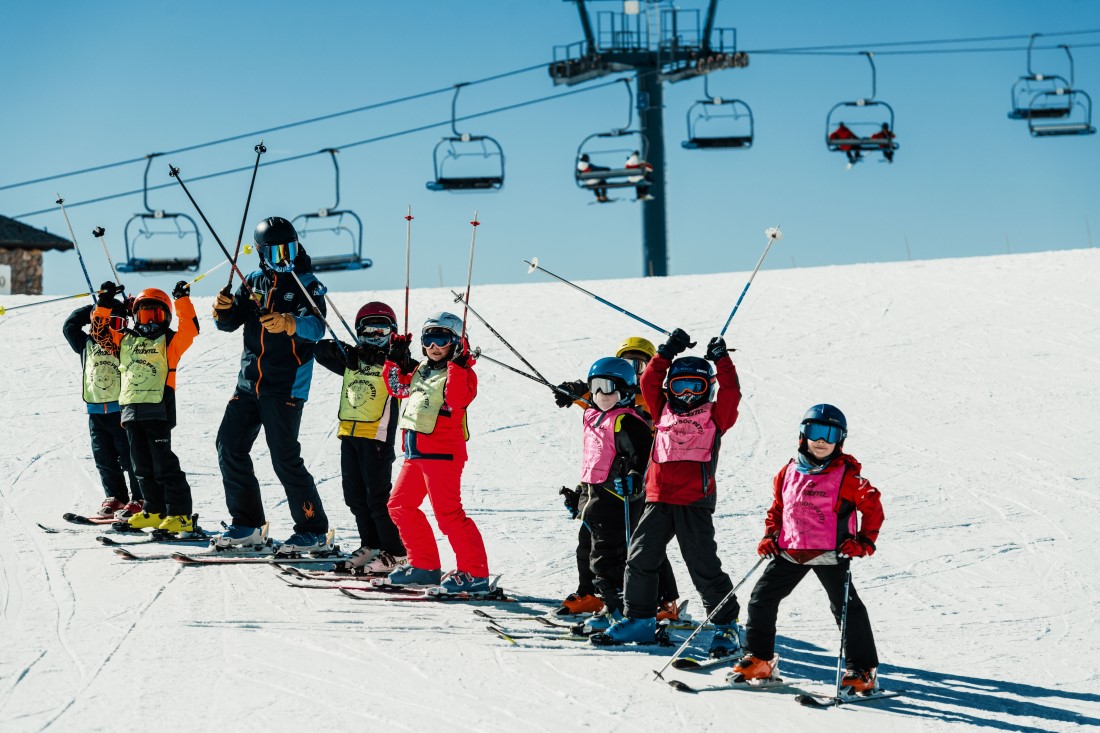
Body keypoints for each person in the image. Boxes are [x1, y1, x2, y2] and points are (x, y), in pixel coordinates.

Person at [595, 330, 744, 655]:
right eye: (680, 386)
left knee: (703, 566)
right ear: (669, 389)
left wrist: (721, 358)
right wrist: (667, 351)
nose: (688, 394)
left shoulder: (716, 416)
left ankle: (726, 625)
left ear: (709, 389)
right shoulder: (662, 410)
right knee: (640, 559)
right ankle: (640, 619)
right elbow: (648, 380)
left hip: (694, 502)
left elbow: (732, 392)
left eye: (697, 386)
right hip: (658, 499)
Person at [732, 405, 885, 692]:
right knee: (761, 598)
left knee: (846, 608)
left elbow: (874, 507)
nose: (822, 441)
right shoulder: (788, 471)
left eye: (830, 434)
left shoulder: (848, 477)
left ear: (840, 439)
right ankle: (760, 659)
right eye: (815, 432)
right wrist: (770, 535)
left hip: (831, 553)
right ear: (804, 434)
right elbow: (778, 508)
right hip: (791, 550)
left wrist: (864, 542)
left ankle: (862, 670)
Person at [211, 216, 333, 553]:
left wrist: (289, 322)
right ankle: (248, 524)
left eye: (290, 248)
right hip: (249, 383)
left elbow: (317, 328)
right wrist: (222, 311)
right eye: (277, 251)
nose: (285, 257)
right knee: (229, 446)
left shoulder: (306, 283)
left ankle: (313, 529)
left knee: (284, 457)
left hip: (286, 385)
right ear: (263, 253)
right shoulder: (252, 281)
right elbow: (229, 323)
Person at [553, 336, 681, 622]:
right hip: (605, 484)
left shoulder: (652, 397)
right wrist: (573, 390)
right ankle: (592, 594)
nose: (635, 369)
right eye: (628, 363)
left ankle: (660, 600)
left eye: (641, 364)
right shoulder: (603, 399)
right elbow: (591, 398)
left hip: (645, 482)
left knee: (640, 547)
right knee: (590, 544)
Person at [381, 312, 490, 593]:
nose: (433, 346)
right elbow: (396, 388)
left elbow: (457, 399)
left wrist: (457, 364)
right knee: (399, 506)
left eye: (441, 339)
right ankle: (424, 567)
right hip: (415, 453)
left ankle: (474, 573)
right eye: (428, 339)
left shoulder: (464, 373)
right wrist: (394, 360)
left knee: (449, 515)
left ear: (456, 342)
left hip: (443, 454)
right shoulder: (421, 370)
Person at [90, 281, 198, 533]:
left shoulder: (169, 341)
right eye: (144, 314)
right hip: (130, 412)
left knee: (163, 465)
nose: (149, 321)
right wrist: (104, 304)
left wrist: (182, 300)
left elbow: (190, 330)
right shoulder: (124, 340)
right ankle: (153, 510)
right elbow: (99, 333)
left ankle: (180, 515)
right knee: (140, 466)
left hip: (158, 410)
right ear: (135, 316)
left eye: (155, 315)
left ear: (166, 317)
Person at [559, 356, 654, 634]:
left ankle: (619, 610)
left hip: (616, 497)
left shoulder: (628, 421)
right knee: (587, 550)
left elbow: (644, 455)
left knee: (607, 558)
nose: (601, 394)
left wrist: (635, 479)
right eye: (596, 387)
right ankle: (607, 606)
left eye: (609, 387)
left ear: (625, 390)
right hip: (593, 495)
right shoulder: (593, 414)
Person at [313, 301, 408, 574]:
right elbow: (319, 350)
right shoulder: (353, 358)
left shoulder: (395, 361)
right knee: (355, 497)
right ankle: (372, 545)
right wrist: (345, 351)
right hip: (350, 435)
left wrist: (393, 358)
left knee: (377, 499)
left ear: (392, 332)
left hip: (377, 436)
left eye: (381, 330)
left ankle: (397, 551)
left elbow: (410, 374)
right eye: (368, 331)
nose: (375, 337)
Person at [63, 299, 142, 518]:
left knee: (129, 457)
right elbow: (69, 326)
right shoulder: (85, 343)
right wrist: (93, 308)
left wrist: (129, 309)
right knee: (104, 459)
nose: (107, 328)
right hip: (96, 411)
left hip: (121, 409)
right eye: (103, 321)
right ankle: (116, 497)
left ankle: (139, 497)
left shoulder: (123, 341)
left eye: (114, 322)